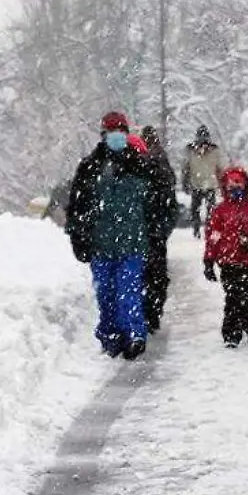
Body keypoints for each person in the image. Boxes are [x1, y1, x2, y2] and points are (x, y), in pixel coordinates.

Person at [65, 111, 169, 360]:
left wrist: (157, 233)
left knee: (129, 290)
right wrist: (78, 236)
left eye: (120, 132)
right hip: (101, 244)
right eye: (111, 132)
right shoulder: (90, 167)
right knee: (106, 294)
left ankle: (134, 334)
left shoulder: (142, 166)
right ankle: (111, 335)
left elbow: (159, 203)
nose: (116, 137)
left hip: (133, 242)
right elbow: (77, 206)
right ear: (103, 135)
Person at [203, 166, 248, 348]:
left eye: (238, 183)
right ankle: (232, 334)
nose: (235, 187)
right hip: (228, 262)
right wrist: (209, 260)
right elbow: (214, 236)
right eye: (231, 183)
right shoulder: (220, 211)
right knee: (232, 297)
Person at [140, 125, 180, 332]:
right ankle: (152, 312)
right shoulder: (158, 166)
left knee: (151, 275)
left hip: (150, 231)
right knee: (154, 276)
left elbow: (170, 204)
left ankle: (150, 312)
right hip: (150, 231)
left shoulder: (156, 167)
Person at [182, 125, 228, 238]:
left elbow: (219, 168)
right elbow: (186, 168)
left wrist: (223, 183)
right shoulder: (191, 150)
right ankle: (197, 228)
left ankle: (208, 228)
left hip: (209, 184)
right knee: (196, 209)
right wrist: (185, 181)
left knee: (210, 210)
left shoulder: (213, 151)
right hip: (197, 183)